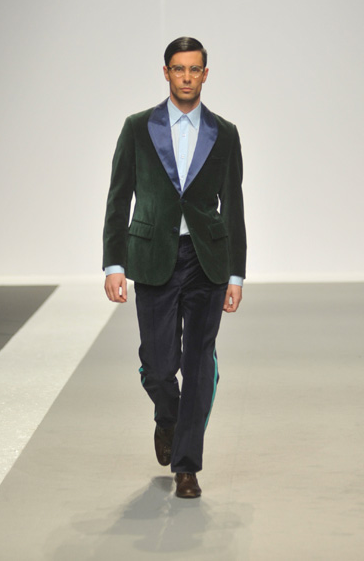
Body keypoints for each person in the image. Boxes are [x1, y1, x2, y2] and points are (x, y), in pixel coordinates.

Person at [102, 36, 247, 498]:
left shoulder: (225, 133)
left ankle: (187, 466)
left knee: (198, 364)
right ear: (166, 72)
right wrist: (113, 262)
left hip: (207, 261)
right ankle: (168, 417)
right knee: (159, 366)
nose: (186, 77)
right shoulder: (137, 127)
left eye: (194, 69)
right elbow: (119, 196)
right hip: (152, 257)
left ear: (206, 74)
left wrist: (237, 273)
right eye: (179, 69)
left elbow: (234, 206)